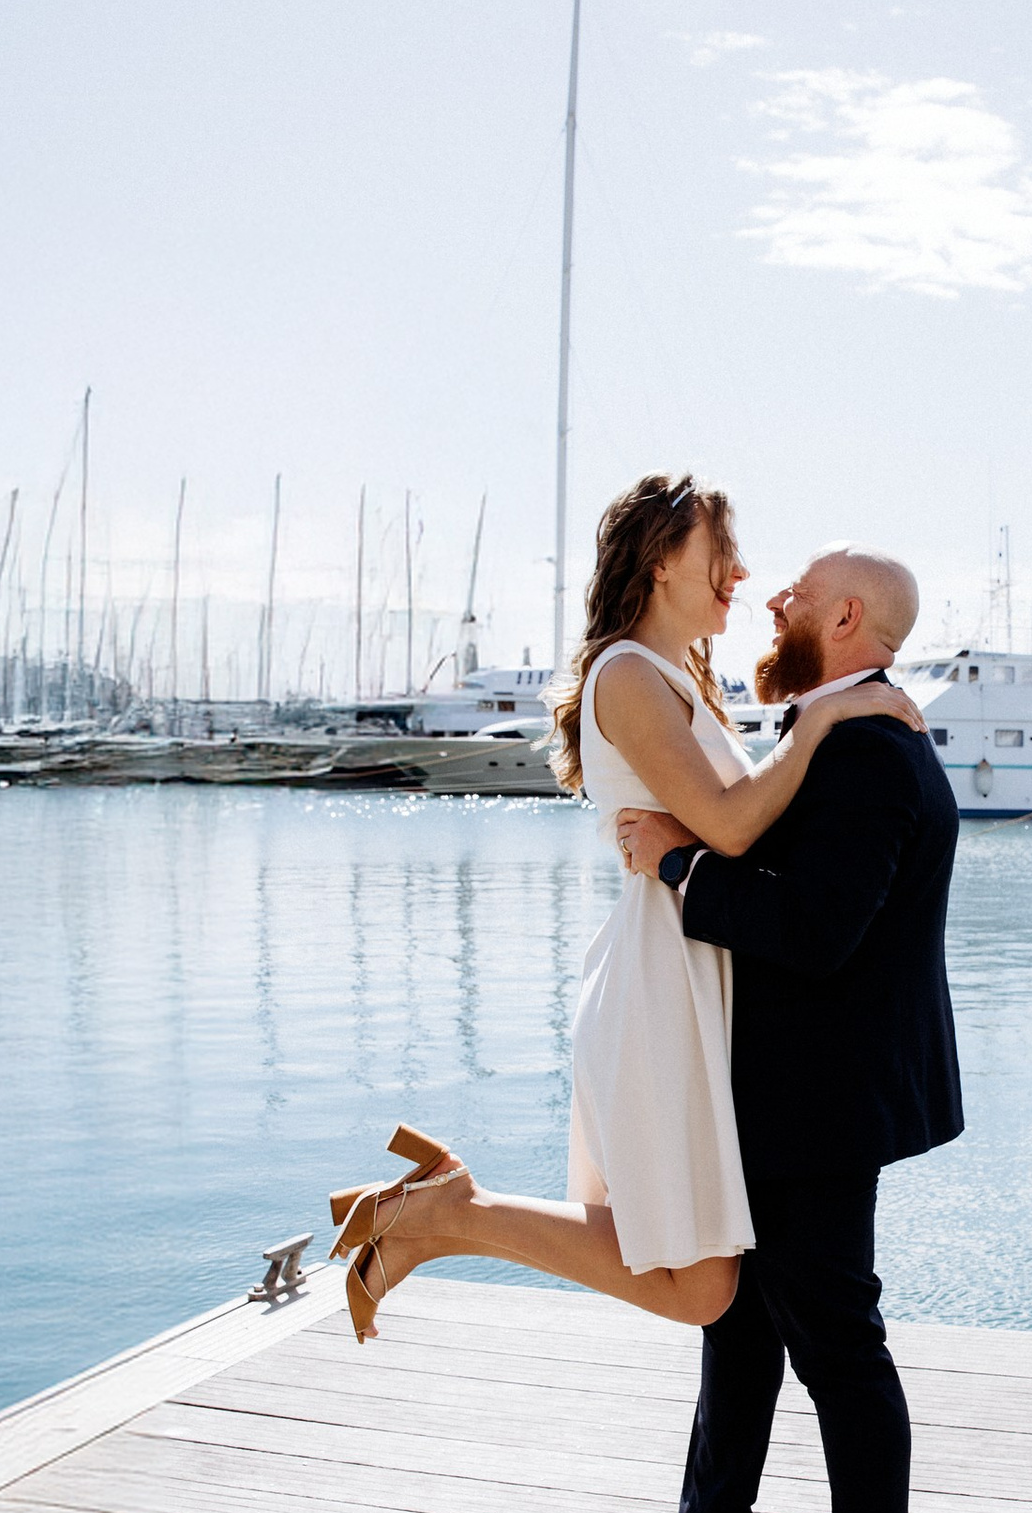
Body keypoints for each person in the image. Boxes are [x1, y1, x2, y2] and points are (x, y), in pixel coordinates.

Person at [327, 474, 920, 1349]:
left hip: (690, 972)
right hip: (662, 979)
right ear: (660, 565)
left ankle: (447, 1212)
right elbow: (728, 821)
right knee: (698, 1286)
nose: (742, 573)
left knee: (697, 1274)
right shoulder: (628, 675)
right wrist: (823, 718)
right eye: (721, 554)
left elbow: (734, 826)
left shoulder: (672, 675)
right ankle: (448, 1214)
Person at [608, 538, 962, 1513]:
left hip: (818, 1101)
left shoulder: (862, 743)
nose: (776, 598)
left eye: (800, 591)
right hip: (799, 1090)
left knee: (839, 1351)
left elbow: (814, 930)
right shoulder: (850, 726)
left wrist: (675, 868)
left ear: (848, 615)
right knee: (748, 1317)